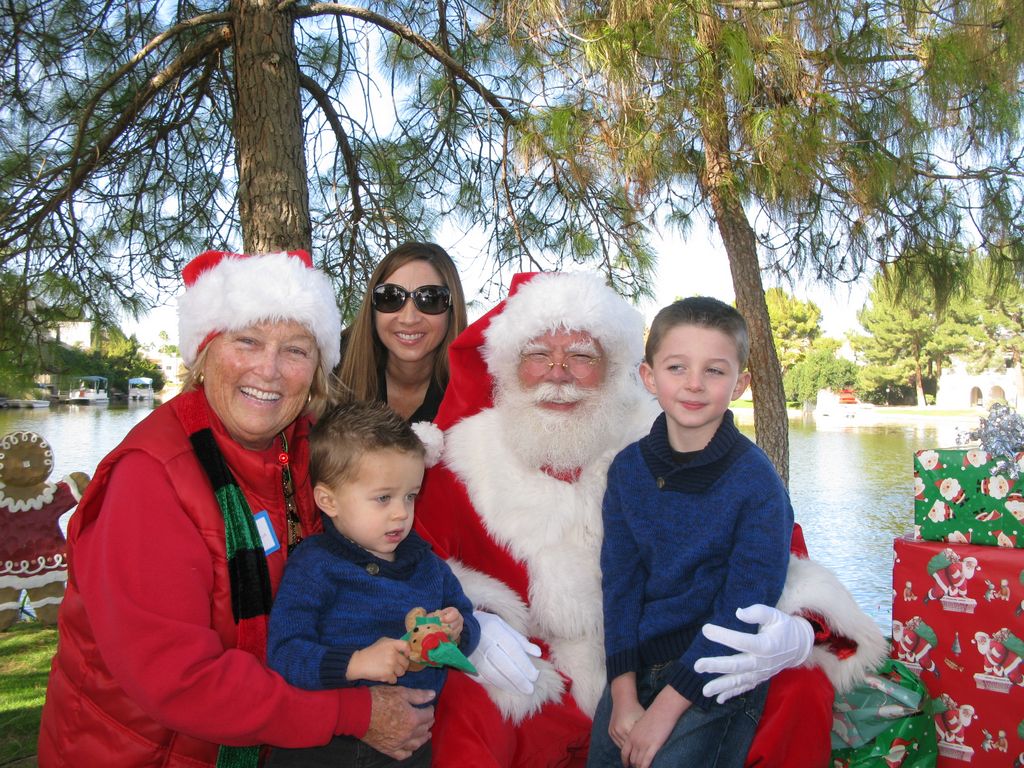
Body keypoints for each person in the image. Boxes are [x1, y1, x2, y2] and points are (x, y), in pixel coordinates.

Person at [413, 271, 888, 768]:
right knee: (470, 704)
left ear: (618, 368)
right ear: (509, 368)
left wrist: (802, 628)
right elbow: (409, 567)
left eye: (581, 355)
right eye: (537, 355)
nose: (558, 373)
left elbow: (777, 554)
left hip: (687, 654)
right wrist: (473, 626)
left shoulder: (664, 431)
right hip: (544, 671)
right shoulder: (464, 462)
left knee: (798, 686)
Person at [38, 250, 434, 767]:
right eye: (246, 341)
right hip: (140, 751)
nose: (268, 370)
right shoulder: (150, 476)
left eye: (295, 349)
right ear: (205, 353)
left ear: (316, 370)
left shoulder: (305, 454)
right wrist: (354, 713)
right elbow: (182, 680)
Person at [588, 297, 793, 768]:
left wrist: (667, 706)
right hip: (636, 667)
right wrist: (622, 692)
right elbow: (620, 585)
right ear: (649, 377)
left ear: (740, 383)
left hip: (718, 669)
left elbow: (744, 609)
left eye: (715, 371)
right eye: (677, 367)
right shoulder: (627, 471)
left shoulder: (757, 483)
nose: (695, 384)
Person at [265, 400, 481, 767]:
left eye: (410, 496)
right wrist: (354, 663)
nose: (401, 512)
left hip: (410, 748)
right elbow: (284, 654)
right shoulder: (315, 565)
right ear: (328, 500)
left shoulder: (428, 566)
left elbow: (466, 619)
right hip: (324, 749)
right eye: (383, 498)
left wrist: (458, 630)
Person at [336, 242, 468, 422]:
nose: (409, 318)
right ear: (372, 307)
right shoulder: (332, 368)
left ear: (452, 309)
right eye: (390, 297)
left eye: (430, 299)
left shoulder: (477, 390)